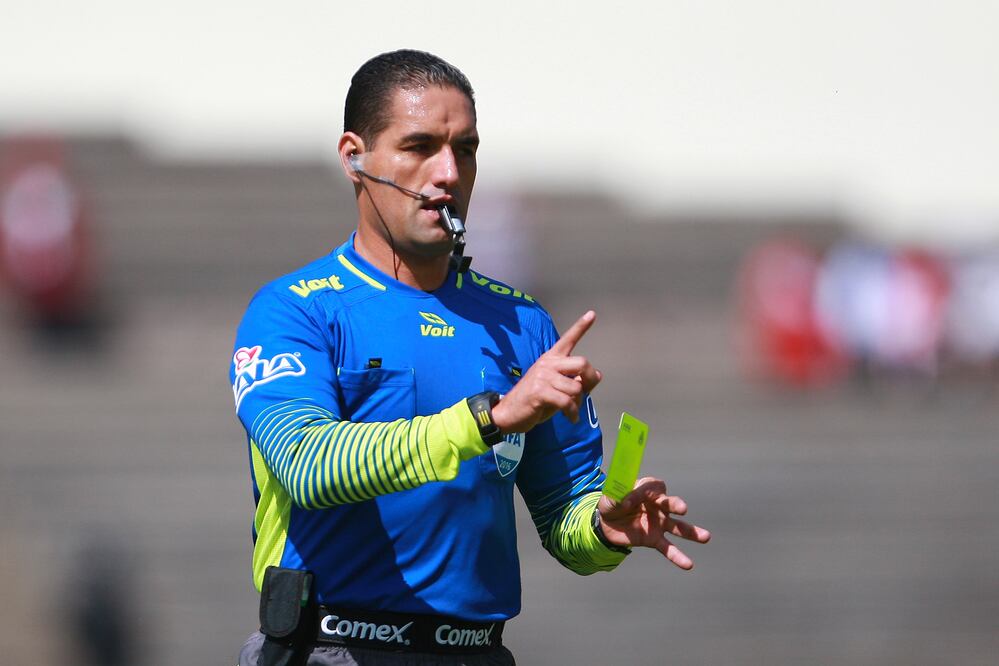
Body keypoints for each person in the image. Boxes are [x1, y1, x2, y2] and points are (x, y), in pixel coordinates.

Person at [230, 49, 710, 666]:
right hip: (329, 650)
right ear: (354, 157)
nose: (448, 172)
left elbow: (568, 521)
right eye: (419, 146)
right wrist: (490, 418)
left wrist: (604, 528)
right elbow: (308, 466)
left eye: (466, 150)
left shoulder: (523, 323)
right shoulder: (293, 311)